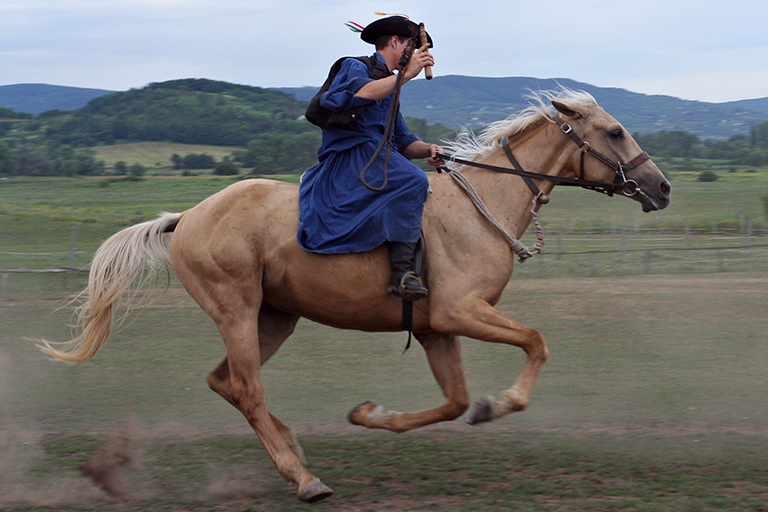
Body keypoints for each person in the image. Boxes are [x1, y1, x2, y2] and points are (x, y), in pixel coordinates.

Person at [297, 15, 443, 301]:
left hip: (379, 155)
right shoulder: (356, 66)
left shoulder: (391, 87)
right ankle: (402, 274)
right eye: (411, 47)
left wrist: (428, 149)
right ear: (395, 42)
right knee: (414, 180)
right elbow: (358, 94)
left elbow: (403, 141)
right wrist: (405, 75)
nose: (414, 55)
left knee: (419, 177)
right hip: (352, 155)